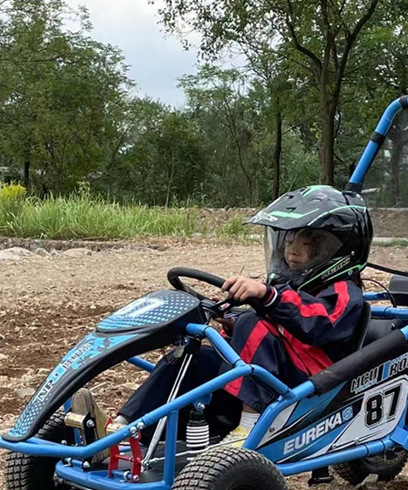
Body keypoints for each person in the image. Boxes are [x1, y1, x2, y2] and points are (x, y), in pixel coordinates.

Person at [70, 185, 373, 452]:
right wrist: (232, 312)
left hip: (310, 386)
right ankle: (121, 433)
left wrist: (266, 298)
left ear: (336, 250)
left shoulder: (344, 292)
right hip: (274, 378)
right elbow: (281, 319)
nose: (292, 250)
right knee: (191, 355)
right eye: (289, 239)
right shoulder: (290, 287)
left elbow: (317, 322)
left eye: (308, 242)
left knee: (250, 326)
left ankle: (251, 426)